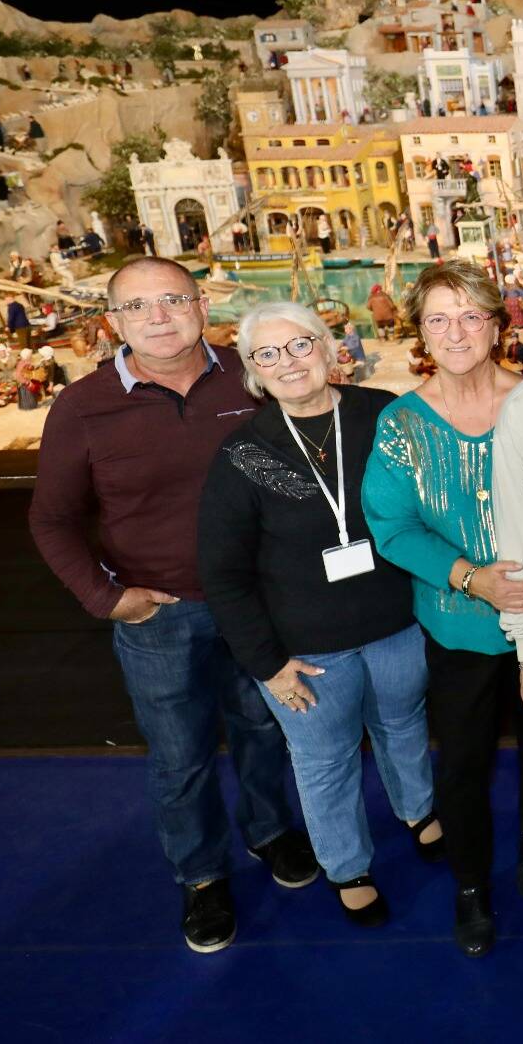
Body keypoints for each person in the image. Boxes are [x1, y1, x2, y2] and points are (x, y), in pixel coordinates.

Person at [29, 257, 315, 954]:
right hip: (161, 616)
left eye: (171, 299)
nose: (157, 316)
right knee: (180, 755)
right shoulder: (83, 406)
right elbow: (52, 520)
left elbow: (301, 469)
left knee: (265, 730)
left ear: (200, 303)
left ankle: (271, 831)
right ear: (113, 322)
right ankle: (200, 875)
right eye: (137, 306)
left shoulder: (251, 378)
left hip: (258, 605)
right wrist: (107, 597)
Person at [198, 302, 443, 929]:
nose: (289, 362)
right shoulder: (243, 453)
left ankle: (417, 810)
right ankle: (347, 866)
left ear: (332, 347)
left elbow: (428, 506)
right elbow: (224, 574)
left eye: (301, 344)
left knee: (403, 724)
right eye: (267, 354)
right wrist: (268, 664)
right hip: (304, 650)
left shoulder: (383, 415)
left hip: (395, 622)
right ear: (252, 372)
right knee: (324, 760)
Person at [362, 261, 523, 959]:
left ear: (497, 324)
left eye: (471, 315)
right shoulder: (403, 424)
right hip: (459, 625)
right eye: (440, 318)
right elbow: (394, 526)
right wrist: (473, 578)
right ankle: (472, 888)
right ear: (422, 333)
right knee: (463, 765)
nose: (456, 330)